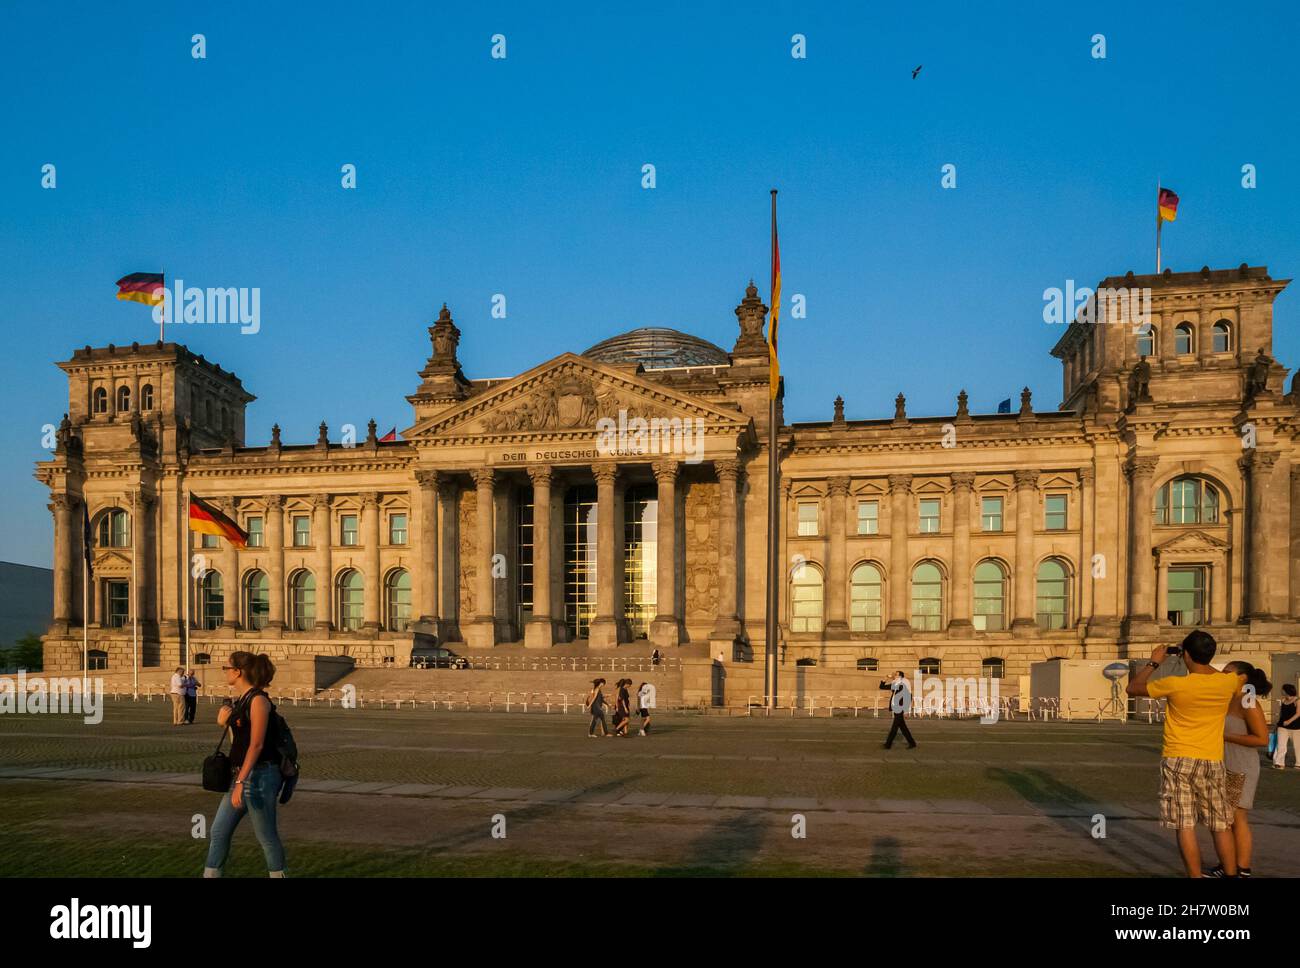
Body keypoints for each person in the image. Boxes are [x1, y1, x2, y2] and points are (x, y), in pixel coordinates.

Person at [1126, 630, 1245, 878]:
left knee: (1185, 824)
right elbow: (1239, 680)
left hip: (1178, 757)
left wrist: (1154, 662)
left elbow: (1133, 688)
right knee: (1220, 825)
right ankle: (1232, 874)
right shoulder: (1229, 682)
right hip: (1212, 758)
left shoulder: (1176, 683)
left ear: (1186, 655)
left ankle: (1194, 876)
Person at [203, 651, 287, 878]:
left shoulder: (259, 701)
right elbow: (240, 742)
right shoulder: (242, 700)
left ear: (238, 672)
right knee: (218, 831)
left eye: (226, 667)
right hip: (242, 775)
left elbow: (257, 745)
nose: (225, 672)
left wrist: (241, 781)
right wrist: (224, 723)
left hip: (259, 776)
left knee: (266, 837)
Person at [1204, 661, 1271, 878]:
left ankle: (1242, 868)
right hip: (1224, 764)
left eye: (1227, 674)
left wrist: (1224, 736)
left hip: (1241, 766)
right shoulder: (1229, 697)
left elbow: (1262, 738)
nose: (1222, 676)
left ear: (1242, 678)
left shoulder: (1248, 700)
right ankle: (1228, 863)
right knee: (1225, 819)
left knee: (1237, 818)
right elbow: (1211, 673)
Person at [879, 671, 916, 749]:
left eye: (896, 674)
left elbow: (908, 696)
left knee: (894, 727)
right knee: (903, 727)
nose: (894, 675)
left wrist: (906, 711)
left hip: (900, 708)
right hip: (895, 707)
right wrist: (885, 678)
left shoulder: (904, 684)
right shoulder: (895, 684)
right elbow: (882, 687)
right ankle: (912, 743)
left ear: (900, 677)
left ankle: (888, 744)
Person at [1273, 683, 1300, 769]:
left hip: (1296, 727)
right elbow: (1281, 714)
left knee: (1297, 746)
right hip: (1282, 727)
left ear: (1287, 691)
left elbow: (1298, 713)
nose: (1281, 691)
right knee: (1281, 745)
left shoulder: (1297, 700)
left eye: (1282, 689)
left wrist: (1289, 721)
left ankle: (1298, 763)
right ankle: (1279, 763)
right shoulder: (1283, 700)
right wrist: (1277, 724)